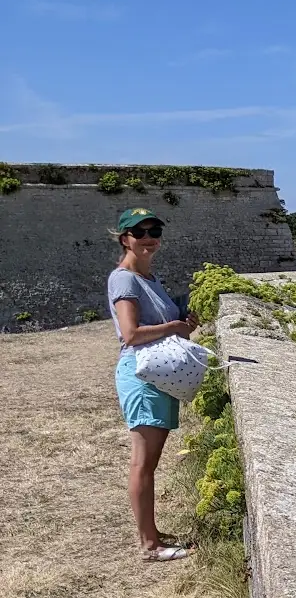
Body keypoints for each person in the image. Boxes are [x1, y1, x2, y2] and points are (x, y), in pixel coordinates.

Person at [108, 208, 198, 562]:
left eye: (154, 231)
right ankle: (149, 546)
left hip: (157, 375)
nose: (149, 238)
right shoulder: (125, 279)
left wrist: (183, 318)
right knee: (142, 464)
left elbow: (162, 321)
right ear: (125, 239)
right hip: (142, 375)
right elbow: (130, 334)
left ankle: (152, 534)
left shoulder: (148, 278)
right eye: (139, 232)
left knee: (150, 462)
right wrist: (175, 327)